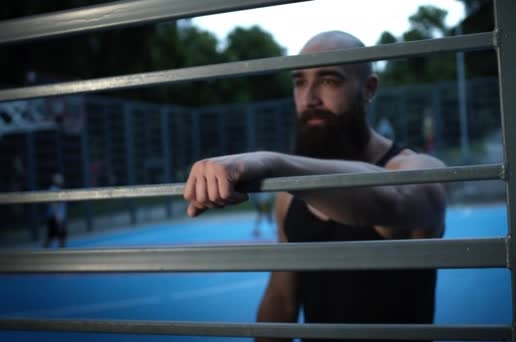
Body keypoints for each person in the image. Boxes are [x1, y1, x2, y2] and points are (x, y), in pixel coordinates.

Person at [183, 31, 447, 342]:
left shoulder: (417, 168)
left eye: (329, 81)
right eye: (299, 82)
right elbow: (282, 301)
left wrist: (273, 162)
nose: (309, 99)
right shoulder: (289, 195)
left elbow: (394, 200)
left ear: (368, 89)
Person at [43, 173, 68, 248]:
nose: (61, 180)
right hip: (55, 217)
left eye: (61, 178)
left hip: (57, 217)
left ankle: (47, 248)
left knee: (53, 236)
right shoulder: (53, 189)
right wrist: (58, 218)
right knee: (59, 235)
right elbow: (54, 204)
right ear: (54, 180)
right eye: (59, 178)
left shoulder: (59, 189)